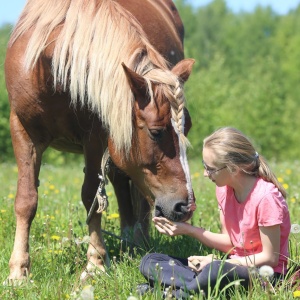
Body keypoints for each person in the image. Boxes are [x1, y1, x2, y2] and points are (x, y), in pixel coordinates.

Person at [137, 127, 291, 298]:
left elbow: (270, 258)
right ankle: (194, 288)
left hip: (264, 275)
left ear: (233, 169)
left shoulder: (266, 198)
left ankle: (174, 294)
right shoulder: (224, 190)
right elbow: (229, 242)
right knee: (151, 261)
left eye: (211, 169)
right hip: (229, 266)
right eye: (204, 166)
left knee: (215, 270)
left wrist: (222, 262)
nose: (205, 173)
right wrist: (187, 229)